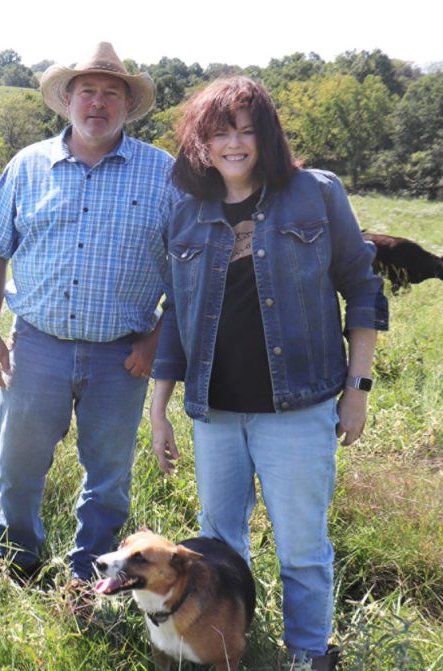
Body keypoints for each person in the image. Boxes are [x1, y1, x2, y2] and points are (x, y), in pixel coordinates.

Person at [149, 76, 388, 670]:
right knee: (218, 546)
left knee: (302, 547)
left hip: (299, 408)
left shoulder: (314, 194)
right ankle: (229, 648)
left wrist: (357, 389)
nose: (235, 143)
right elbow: (175, 313)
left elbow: (361, 287)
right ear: (200, 141)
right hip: (216, 412)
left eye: (248, 130)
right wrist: (159, 407)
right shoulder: (185, 213)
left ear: (268, 137)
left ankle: (308, 655)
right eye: (220, 131)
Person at [0, 42, 181, 588]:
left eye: (112, 93)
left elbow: (190, 270)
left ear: (128, 106)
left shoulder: (164, 174)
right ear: (67, 99)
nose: (98, 103)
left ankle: (93, 576)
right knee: (17, 468)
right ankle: (19, 558)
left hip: (123, 355)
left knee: (108, 476)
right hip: (36, 346)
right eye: (87, 90)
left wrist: (158, 340)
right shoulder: (28, 166)